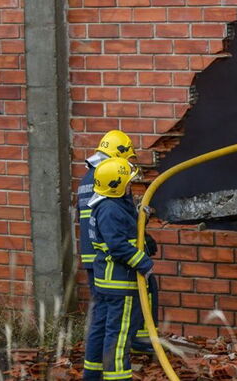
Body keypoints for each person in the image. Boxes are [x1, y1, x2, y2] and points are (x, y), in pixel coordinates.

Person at [77, 130, 156, 354]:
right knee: (109, 319)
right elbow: (114, 223)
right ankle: (115, 357)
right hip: (108, 261)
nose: (128, 164)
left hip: (98, 257)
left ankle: (100, 363)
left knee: (105, 317)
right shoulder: (108, 177)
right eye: (127, 158)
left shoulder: (90, 177)